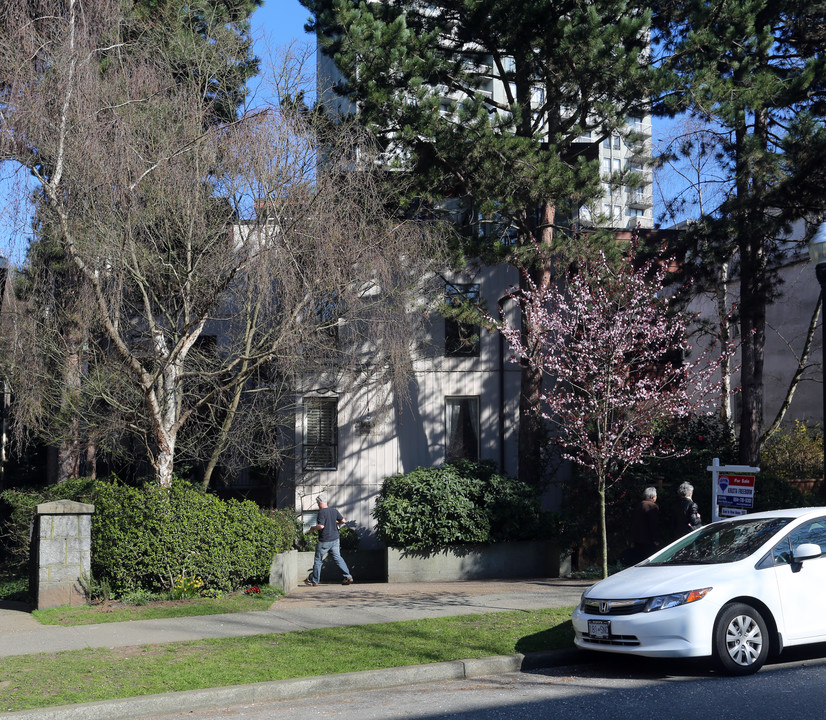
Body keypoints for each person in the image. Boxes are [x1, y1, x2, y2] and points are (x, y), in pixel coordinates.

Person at [304, 492, 354, 586]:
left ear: (320, 502)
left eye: (318, 503)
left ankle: (315, 581)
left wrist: (313, 528)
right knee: (338, 558)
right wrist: (334, 523)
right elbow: (343, 521)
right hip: (335, 539)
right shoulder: (334, 511)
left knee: (318, 560)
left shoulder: (321, 512)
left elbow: (321, 526)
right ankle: (348, 576)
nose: (318, 505)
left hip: (324, 540)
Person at [628, 486, 660, 564]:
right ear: (653, 497)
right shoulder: (652, 506)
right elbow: (653, 524)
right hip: (648, 540)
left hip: (637, 539)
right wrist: (656, 539)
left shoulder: (639, 505)